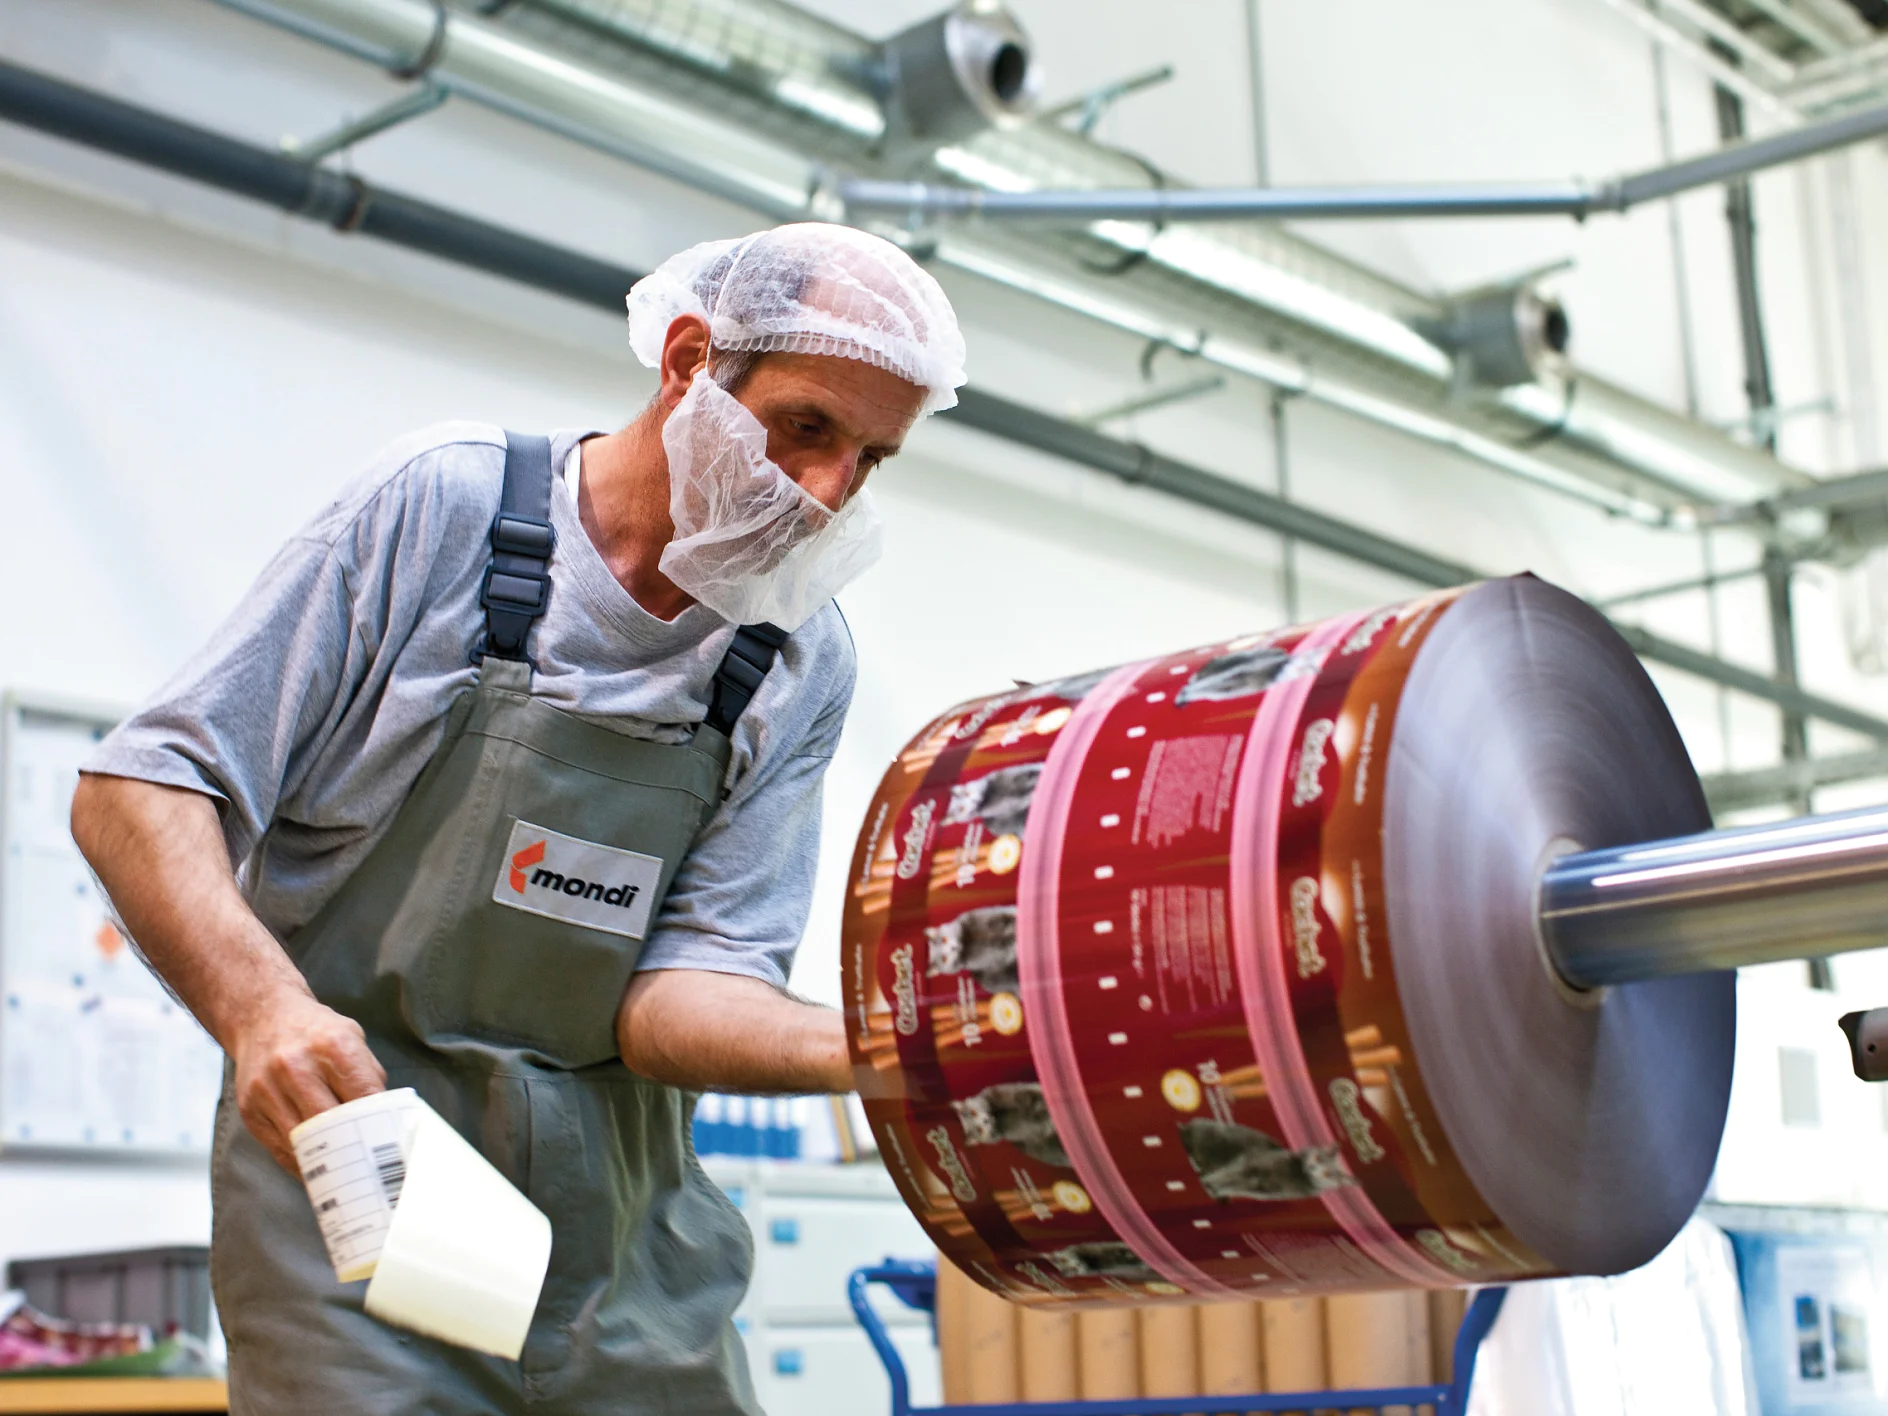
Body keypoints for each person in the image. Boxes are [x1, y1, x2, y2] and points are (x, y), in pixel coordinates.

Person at [69, 222, 967, 1415]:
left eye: (870, 458)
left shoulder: (796, 659)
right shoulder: (446, 511)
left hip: (628, 1254)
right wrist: (259, 1007)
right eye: (806, 425)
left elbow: (673, 999)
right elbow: (142, 787)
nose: (826, 493)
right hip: (366, 1232)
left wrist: (879, 1053)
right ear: (692, 361)